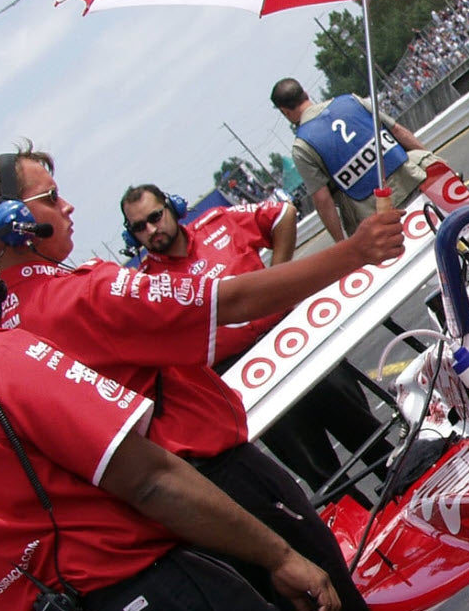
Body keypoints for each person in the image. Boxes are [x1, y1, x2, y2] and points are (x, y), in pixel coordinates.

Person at [0, 213, 399, 611]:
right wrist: (280, 556)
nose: (67, 212)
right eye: (51, 200)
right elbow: (150, 479)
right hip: (153, 605)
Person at [121, 184, 389, 494]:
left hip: (293, 342)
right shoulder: (145, 285)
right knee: (323, 479)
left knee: (368, 433)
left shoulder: (219, 223)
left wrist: (280, 276)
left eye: (155, 216)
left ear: (173, 207)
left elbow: (283, 215)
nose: (152, 229)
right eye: (140, 227)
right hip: (243, 378)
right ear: (132, 236)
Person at [270, 77, 442, 242]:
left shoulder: (302, 147)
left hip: (374, 214)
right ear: (305, 93)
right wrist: (434, 161)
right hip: (413, 179)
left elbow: (323, 200)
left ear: (285, 112)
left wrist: (341, 244)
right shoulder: (352, 101)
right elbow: (397, 131)